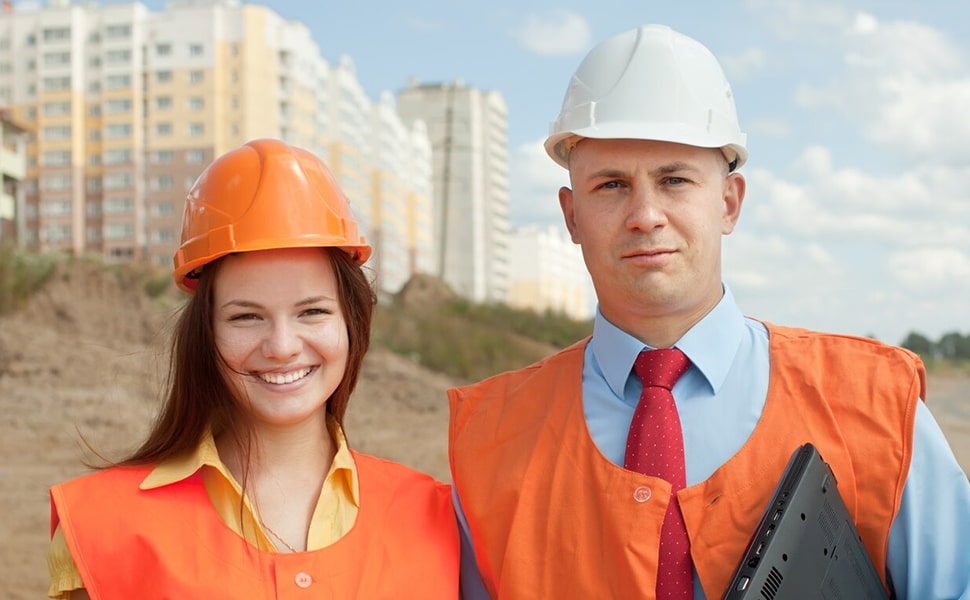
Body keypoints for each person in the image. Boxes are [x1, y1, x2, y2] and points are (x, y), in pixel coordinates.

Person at [448, 24, 970, 599]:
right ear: (571, 216)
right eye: (612, 185)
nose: (645, 214)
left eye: (674, 180)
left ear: (728, 202)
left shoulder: (876, 404)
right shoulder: (489, 439)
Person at [47, 139, 460, 598]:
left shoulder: (436, 519)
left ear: (352, 322)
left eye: (312, 313)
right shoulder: (103, 526)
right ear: (206, 333)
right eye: (246, 316)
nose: (282, 347)